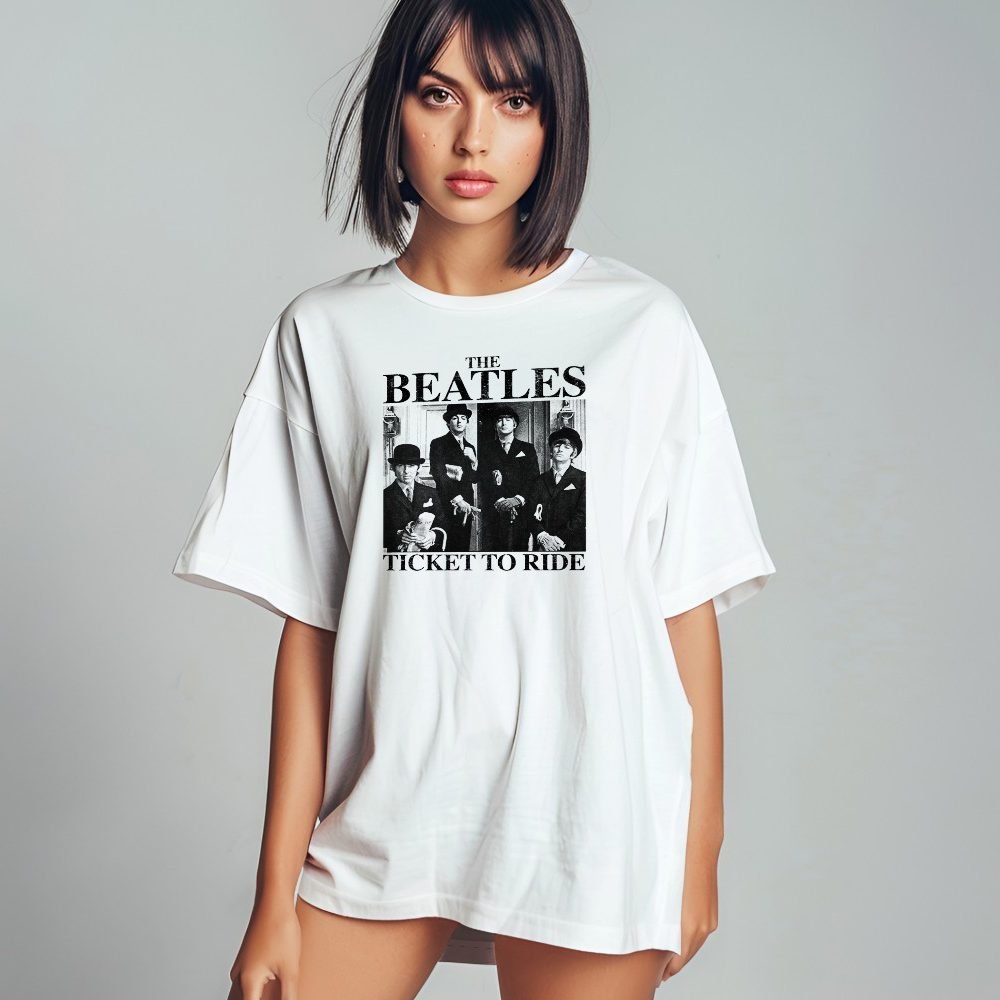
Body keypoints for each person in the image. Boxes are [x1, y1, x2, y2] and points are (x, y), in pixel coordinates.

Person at [170, 1, 777, 998]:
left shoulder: (641, 328)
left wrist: (698, 843)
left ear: (556, 117)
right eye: (438, 94)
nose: (473, 139)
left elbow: (685, 602)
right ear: (393, 108)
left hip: (591, 821)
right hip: (389, 817)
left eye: (513, 99)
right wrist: (274, 892)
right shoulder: (327, 333)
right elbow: (312, 629)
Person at [478, 405, 539, 551]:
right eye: (499, 420)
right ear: (495, 426)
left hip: (521, 511)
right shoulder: (486, 449)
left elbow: (533, 478)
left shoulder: (527, 448)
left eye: (508, 419)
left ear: (515, 424)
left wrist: (517, 499)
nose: (504, 423)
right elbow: (484, 479)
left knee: (520, 550)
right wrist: (500, 501)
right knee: (495, 552)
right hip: (495, 511)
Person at [427, 403, 480, 551]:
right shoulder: (438, 443)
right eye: (455, 418)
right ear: (448, 423)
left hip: (467, 503)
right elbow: (438, 474)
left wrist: (474, 461)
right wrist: (458, 499)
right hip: (446, 502)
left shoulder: (470, 447)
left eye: (463, 418)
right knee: (446, 543)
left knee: (463, 544)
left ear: (467, 422)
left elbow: (474, 478)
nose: (459, 421)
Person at [526, 426, 587, 553]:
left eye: (567, 447)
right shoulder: (539, 480)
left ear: (573, 453)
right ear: (551, 451)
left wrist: (557, 540)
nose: (560, 449)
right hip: (543, 547)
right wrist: (542, 536)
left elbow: (582, 516)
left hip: (572, 546)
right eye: (557, 445)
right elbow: (530, 512)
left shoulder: (583, 479)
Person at [383, 443, 447, 552]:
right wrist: (398, 536)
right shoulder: (384, 496)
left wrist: (432, 536)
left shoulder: (431, 493)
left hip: (428, 556)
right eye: (400, 465)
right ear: (393, 468)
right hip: (397, 558)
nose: (406, 471)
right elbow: (375, 532)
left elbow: (443, 524)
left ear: (419, 467)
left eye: (411, 465)